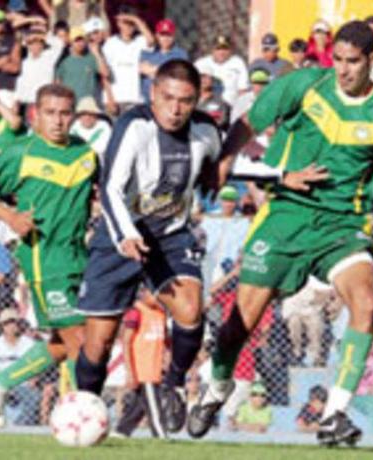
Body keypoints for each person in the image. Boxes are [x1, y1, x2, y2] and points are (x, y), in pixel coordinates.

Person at [187, 20, 373, 447]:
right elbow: (249, 121)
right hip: (285, 215)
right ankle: (218, 387)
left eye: (353, 62)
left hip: (343, 228)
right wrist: (225, 159)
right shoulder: (304, 84)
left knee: (366, 303)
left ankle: (334, 415)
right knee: (240, 325)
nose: (343, 70)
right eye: (337, 59)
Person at [74, 59, 222, 435]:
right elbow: (109, 188)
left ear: (196, 100)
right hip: (119, 236)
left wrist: (212, 182)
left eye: (185, 101)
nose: (175, 109)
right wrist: (126, 234)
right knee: (99, 343)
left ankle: (172, 385)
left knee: (191, 311)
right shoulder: (134, 126)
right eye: (168, 98)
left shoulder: (206, 131)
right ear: (153, 94)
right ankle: (86, 413)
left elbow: (217, 162)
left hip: (170, 237)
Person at [0, 83, 98, 425]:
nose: (58, 121)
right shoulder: (21, 152)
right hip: (44, 260)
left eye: (65, 113)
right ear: (36, 115)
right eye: (50, 113)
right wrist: (12, 218)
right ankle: (83, 419)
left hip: (79, 258)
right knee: (79, 337)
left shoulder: (86, 153)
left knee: (64, 341)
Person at [114, 288, 168, 438]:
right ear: (144, 292)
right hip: (143, 367)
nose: (160, 297)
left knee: (140, 404)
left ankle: (121, 431)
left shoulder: (161, 313)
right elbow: (126, 341)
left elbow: (166, 339)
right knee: (153, 403)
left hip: (156, 366)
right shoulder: (136, 312)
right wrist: (130, 372)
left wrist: (167, 358)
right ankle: (160, 434)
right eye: (155, 293)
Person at [0, 308, 41, 426]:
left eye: (13, 322)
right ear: (1, 326)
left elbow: (37, 369)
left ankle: (20, 427)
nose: (11, 326)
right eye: (7, 323)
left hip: (23, 385)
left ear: (18, 324)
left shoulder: (29, 344)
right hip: (0, 384)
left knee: (34, 396)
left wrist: (33, 379)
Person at [101, 5, 154, 115]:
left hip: (135, 99)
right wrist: (110, 99)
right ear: (119, 24)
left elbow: (151, 41)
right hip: (116, 100)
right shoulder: (110, 43)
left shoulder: (140, 41)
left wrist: (135, 19)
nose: (129, 27)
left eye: (132, 24)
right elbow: (104, 74)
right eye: (126, 23)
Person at [55, 26, 110, 104]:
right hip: (70, 104)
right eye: (77, 40)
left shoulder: (92, 59)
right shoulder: (64, 62)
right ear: (71, 42)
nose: (80, 43)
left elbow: (106, 73)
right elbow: (57, 84)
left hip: (89, 105)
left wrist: (96, 53)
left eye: (82, 40)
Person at [139, 19, 188, 103]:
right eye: (162, 35)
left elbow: (178, 74)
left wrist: (152, 70)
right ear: (157, 35)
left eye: (169, 35)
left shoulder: (180, 54)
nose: (165, 38)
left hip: (168, 101)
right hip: (146, 100)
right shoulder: (149, 52)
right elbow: (141, 68)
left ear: (173, 36)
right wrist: (164, 71)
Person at [195, 35, 249, 106]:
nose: (221, 52)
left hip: (231, 108)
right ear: (212, 50)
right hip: (204, 107)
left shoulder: (237, 63)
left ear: (231, 50)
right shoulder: (201, 64)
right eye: (218, 49)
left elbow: (243, 91)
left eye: (225, 49)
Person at [70, 96, 112, 164]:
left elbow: (101, 149)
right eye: (84, 114)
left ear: (96, 115)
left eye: (90, 114)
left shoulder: (103, 127)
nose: (87, 117)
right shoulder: (74, 127)